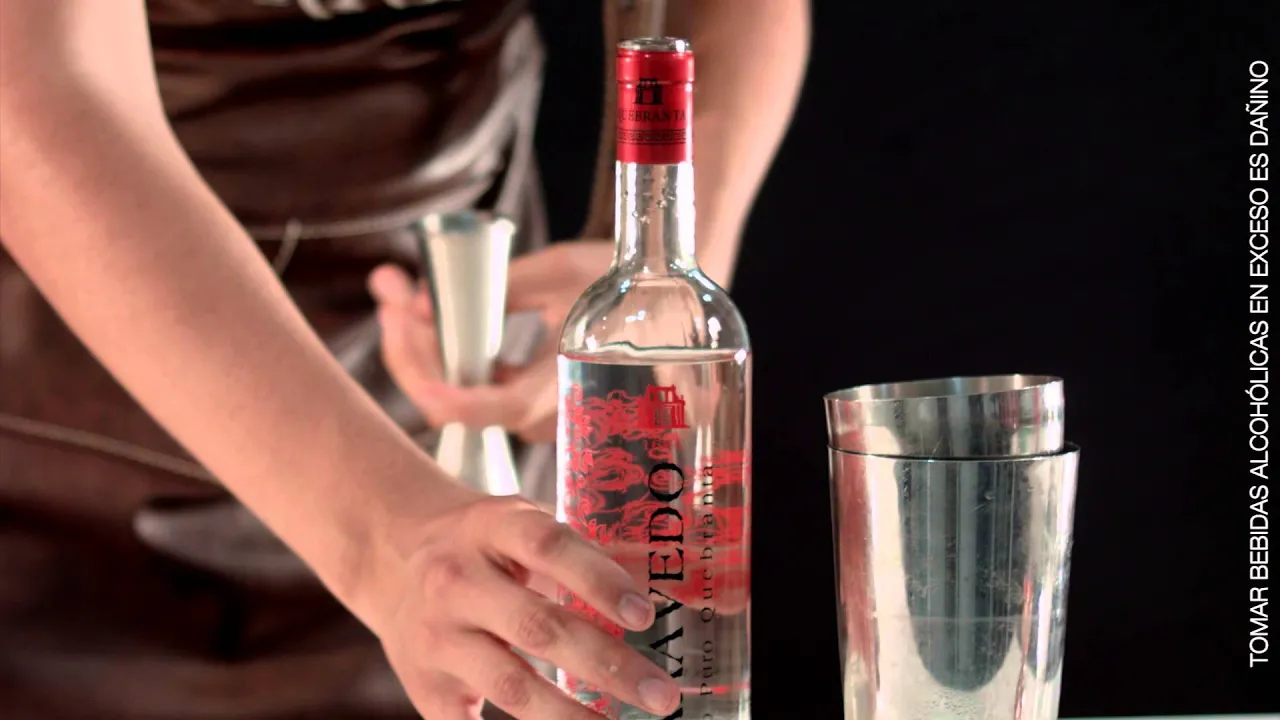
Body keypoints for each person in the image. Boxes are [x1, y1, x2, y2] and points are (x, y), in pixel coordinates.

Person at [0, 1, 809, 718]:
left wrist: (659, 278)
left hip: (480, 404)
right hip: (103, 446)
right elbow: (40, 83)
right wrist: (383, 536)